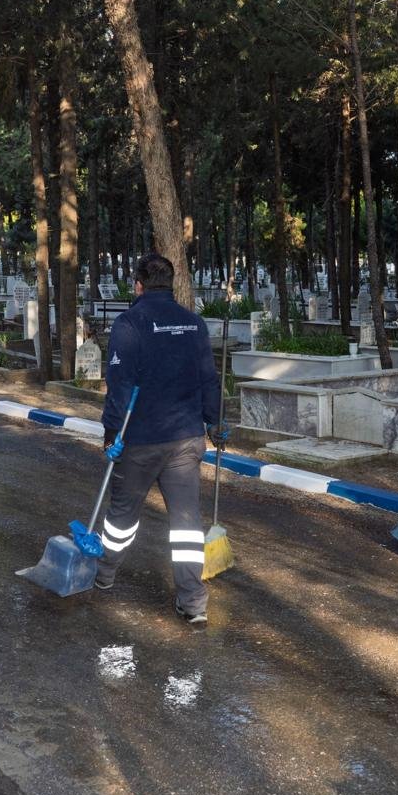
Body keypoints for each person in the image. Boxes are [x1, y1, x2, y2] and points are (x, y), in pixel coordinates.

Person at [95, 254, 223, 624]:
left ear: (138, 285)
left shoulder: (129, 323)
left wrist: (110, 432)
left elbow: (119, 386)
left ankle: (103, 576)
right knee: (186, 522)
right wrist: (214, 423)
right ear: (171, 284)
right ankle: (193, 602)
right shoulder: (193, 324)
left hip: (141, 439)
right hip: (186, 438)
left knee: (122, 516)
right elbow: (208, 379)